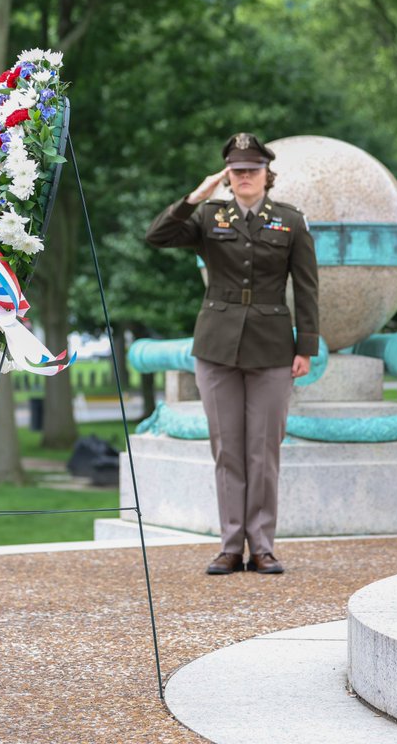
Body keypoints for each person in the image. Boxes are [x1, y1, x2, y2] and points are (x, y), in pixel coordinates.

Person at [145, 132, 318, 577]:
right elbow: (157, 235)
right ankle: (228, 545)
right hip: (217, 346)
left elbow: (307, 288)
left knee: (264, 450)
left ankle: (261, 546)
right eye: (236, 171)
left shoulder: (290, 221)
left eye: (252, 170)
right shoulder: (207, 216)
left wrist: (307, 347)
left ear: (266, 175)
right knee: (227, 449)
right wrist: (196, 195)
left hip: (273, 347)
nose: (245, 177)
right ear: (227, 175)